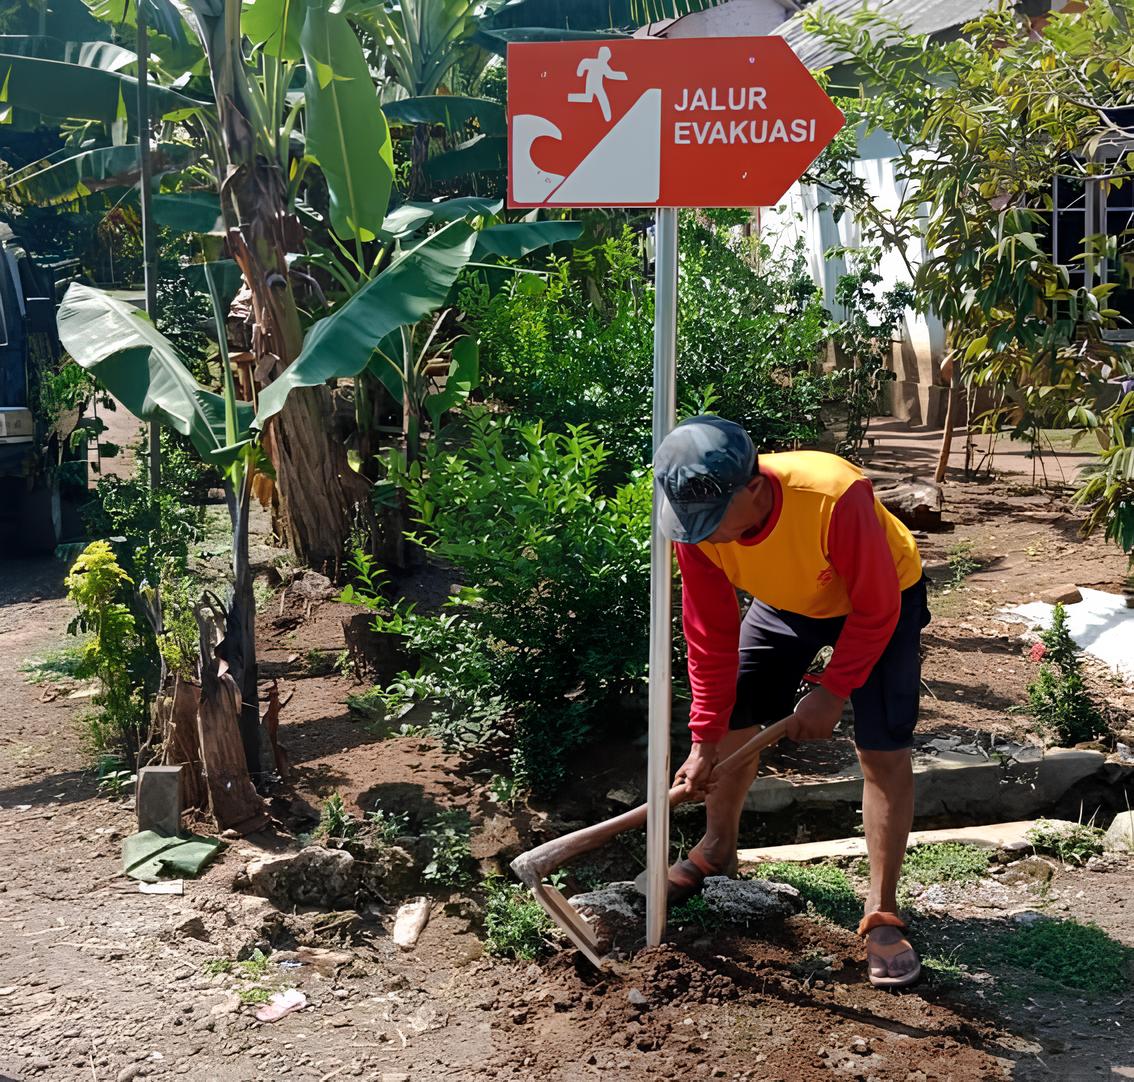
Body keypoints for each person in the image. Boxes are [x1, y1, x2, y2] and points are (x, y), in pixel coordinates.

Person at [652, 415, 930, 988]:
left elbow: (877, 608)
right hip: (787, 603)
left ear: (753, 489)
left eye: (709, 520)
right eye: (690, 523)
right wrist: (703, 740)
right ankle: (716, 850)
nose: (699, 533)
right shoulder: (695, 529)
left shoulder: (831, 495)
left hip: (880, 595)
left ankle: (881, 911)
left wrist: (831, 693)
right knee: (733, 720)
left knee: (881, 749)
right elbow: (709, 634)